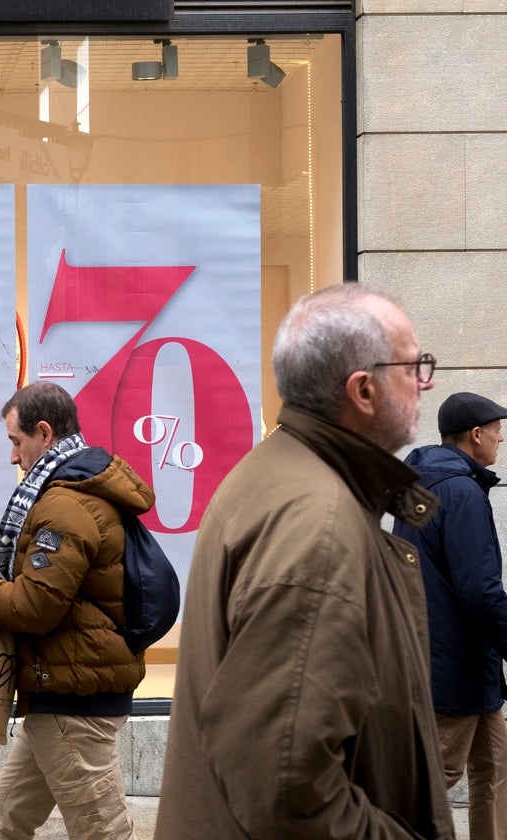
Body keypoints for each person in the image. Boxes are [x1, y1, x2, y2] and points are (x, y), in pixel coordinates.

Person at [154, 283, 454, 839]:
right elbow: (285, 787)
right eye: (415, 367)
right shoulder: (319, 523)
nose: (425, 383)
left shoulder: (284, 475)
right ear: (363, 390)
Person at [0, 381, 154, 840]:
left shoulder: (65, 505)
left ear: (44, 432)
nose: (12, 456)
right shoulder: (70, 491)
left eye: (16, 442)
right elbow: (61, 592)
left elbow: (36, 609)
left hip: (71, 699)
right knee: (5, 816)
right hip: (60, 689)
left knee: (102, 831)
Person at [393, 391, 507, 840]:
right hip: (451, 667)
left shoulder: (422, 485)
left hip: (466, 667)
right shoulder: (461, 493)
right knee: (432, 782)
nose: (500, 440)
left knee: (494, 772)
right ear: (476, 435)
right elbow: (480, 590)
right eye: (497, 433)